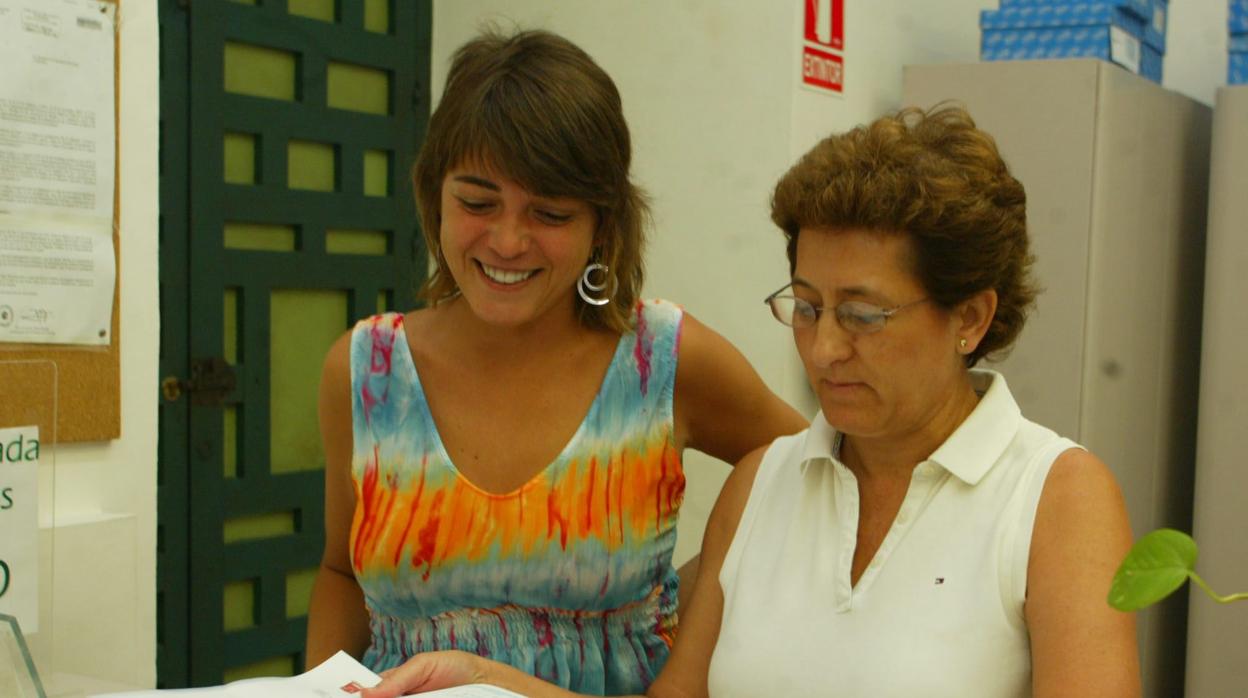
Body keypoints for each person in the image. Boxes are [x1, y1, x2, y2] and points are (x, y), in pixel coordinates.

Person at [360, 105, 1142, 697]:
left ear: (969, 317)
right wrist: (480, 681)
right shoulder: (765, 484)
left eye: (864, 316)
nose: (824, 348)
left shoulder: (1054, 498)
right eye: (805, 306)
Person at [304, 28, 806, 696]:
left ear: (604, 222)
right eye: (477, 202)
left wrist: (707, 594)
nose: (508, 240)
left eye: (550, 212)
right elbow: (340, 572)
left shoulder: (663, 362)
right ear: (433, 196)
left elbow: (813, 469)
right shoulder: (366, 373)